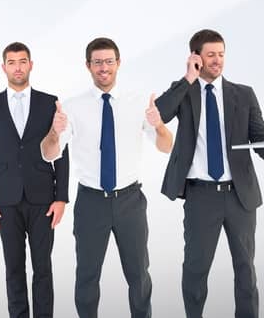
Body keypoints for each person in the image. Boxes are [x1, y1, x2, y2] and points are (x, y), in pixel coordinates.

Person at [155, 30, 264, 318]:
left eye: (221, 54)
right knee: (196, 270)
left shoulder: (242, 94)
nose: (218, 60)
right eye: (210, 55)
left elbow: (259, 137)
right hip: (201, 195)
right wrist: (188, 78)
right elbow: (159, 113)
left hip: (239, 196)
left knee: (246, 270)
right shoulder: (184, 90)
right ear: (196, 57)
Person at [39, 37, 173, 318]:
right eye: (97, 62)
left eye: (109, 61)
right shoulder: (72, 107)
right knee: (87, 277)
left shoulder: (139, 103)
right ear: (88, 66)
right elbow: (49, 153)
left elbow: (166, 146)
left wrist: (159, 126)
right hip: (91, 202)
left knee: (139, 276)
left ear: (119, 63)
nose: (104, 67)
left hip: (130, 200)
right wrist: (53, 131)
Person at [0, 43, 68, 318]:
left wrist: (61, 196)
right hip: (6, 200)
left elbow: (61, 152)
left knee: (43, 268)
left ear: (31, 65)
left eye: (22, 61)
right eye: (12, 62)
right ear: (4, 67)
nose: (17, 67)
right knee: (13, 268)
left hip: (43, 198)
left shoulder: (49, 102)